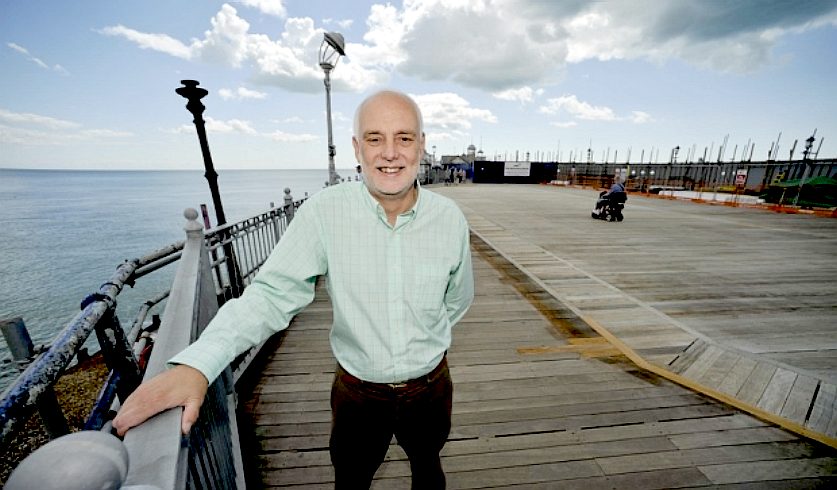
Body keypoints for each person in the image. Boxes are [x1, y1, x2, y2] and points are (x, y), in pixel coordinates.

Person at [112, 90, 475, 489]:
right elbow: (271, 293)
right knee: (351, 480)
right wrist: (200, 363)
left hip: (430, 388)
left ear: (421, 145)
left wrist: (421, 337)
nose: (390, 152)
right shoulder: (323, 213)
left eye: (404, 138)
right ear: (357, 147)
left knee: (428, 468)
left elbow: (458, 299)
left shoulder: (449, 220)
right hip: (357, 393)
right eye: (375, 138)